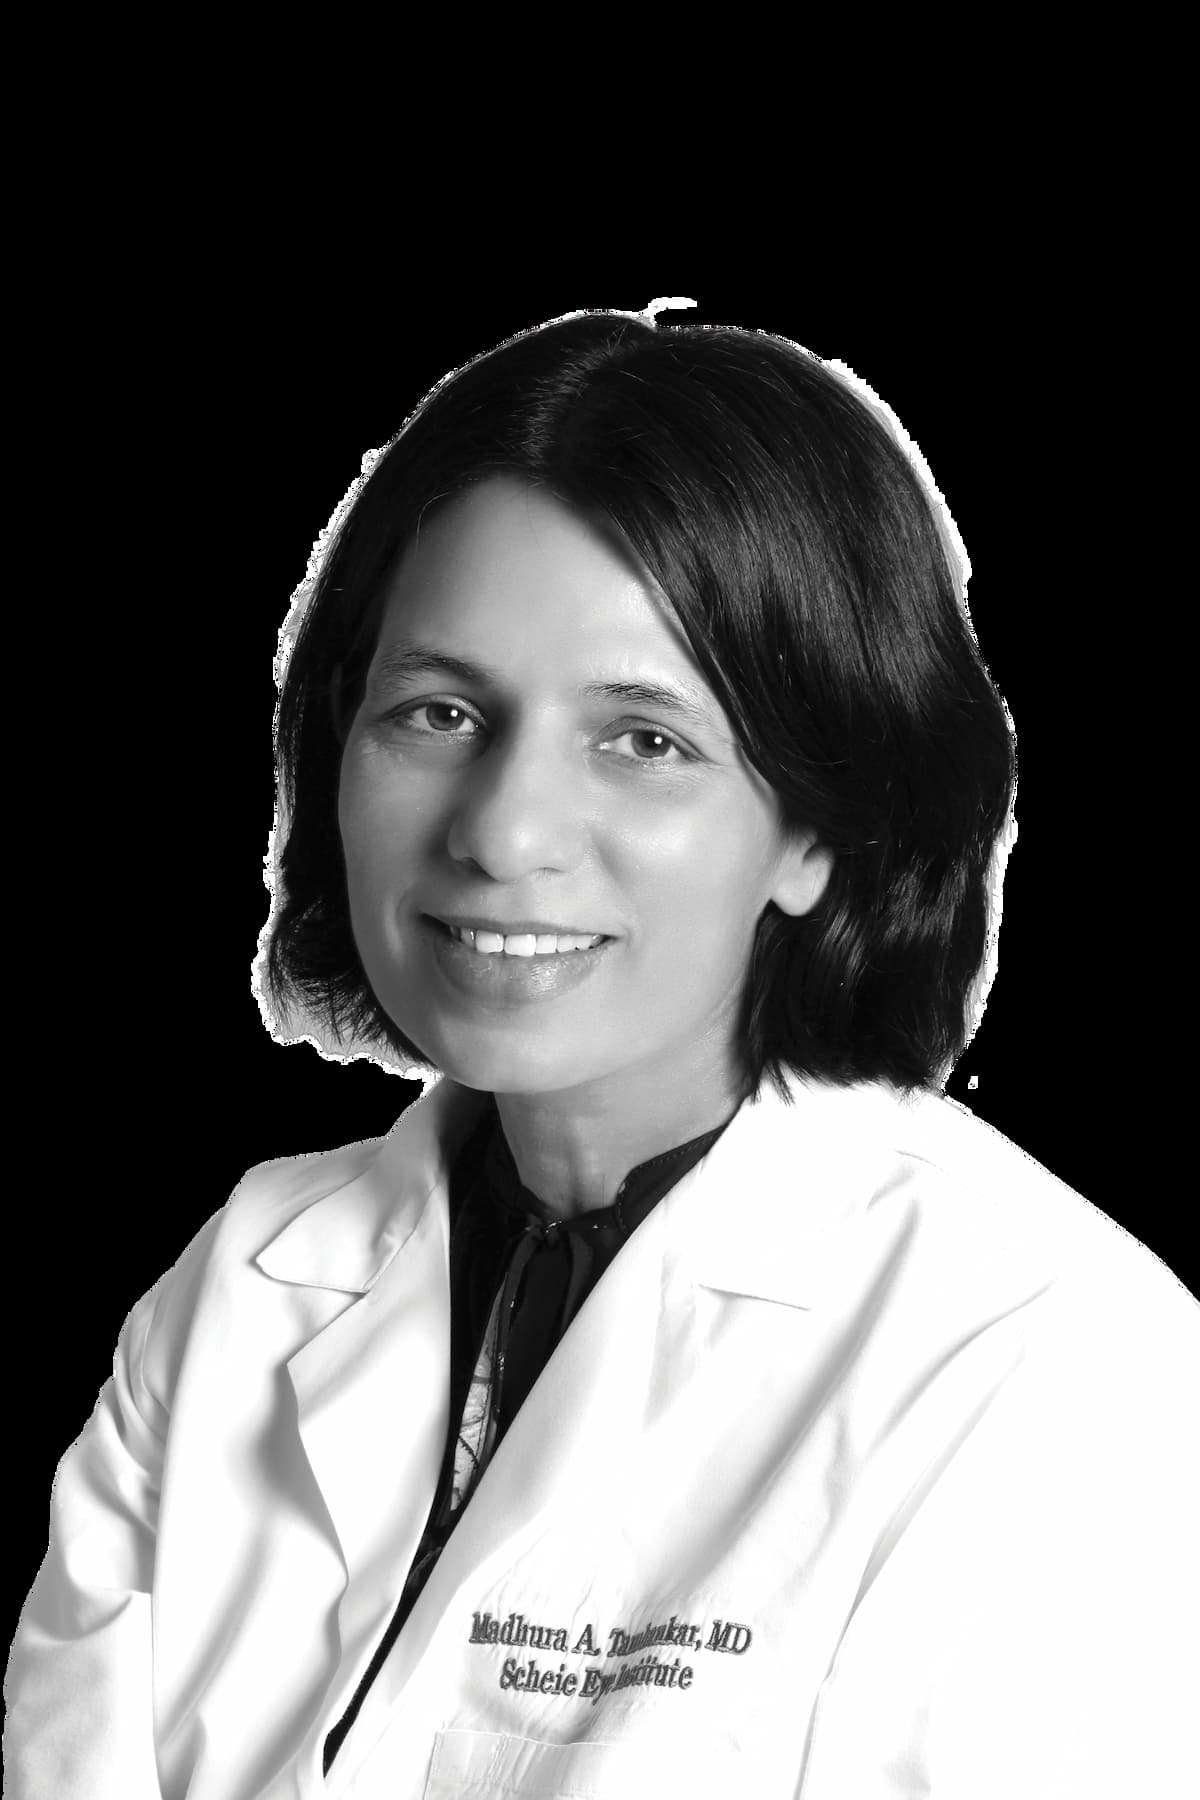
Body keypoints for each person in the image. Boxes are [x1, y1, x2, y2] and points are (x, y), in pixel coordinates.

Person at [6, 304, 1198, 1799]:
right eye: (439, 711)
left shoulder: (1040, 1355)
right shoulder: (240, 1286)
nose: (503, 832)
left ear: (820, 832)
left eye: (644, 740)